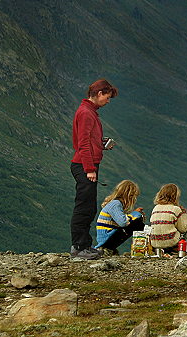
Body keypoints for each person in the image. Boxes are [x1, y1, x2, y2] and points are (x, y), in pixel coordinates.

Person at [69, 79, 118, 259]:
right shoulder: (86, 113)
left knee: (89, 206)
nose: (108, 100)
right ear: (99, 94)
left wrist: (101, 144)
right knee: (84, 207)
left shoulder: (89, 112)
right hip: (84, 166)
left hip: (86, 165)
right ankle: (79, 247)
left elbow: (88, 140)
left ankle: (84, 245)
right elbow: (82, 144)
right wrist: (90, 169)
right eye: (107, 96)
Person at [94, 180, 145, 255]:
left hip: (107, 237)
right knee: (137, 224)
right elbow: (123, 222)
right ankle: (107, 249)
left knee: (137, 222)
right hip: (106, 238)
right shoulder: (116, 204)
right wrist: (135, 214)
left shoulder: (115, 204)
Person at [149, 183, 187, 254]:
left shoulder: (155, 208)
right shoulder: (175, 209)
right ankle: (178, 250)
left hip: (155, 243)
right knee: (184, 227)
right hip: (171, 243)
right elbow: (183, 229)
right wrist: (184, 214)